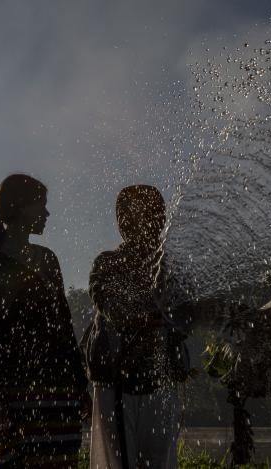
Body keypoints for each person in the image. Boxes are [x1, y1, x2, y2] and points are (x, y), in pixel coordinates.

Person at [0, 174, 90, 468]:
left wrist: (80, 384)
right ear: (21, 207)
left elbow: (64, 325)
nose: (47, 214)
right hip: (16, 391)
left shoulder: (48, 258)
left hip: (59, 389)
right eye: (42, 206)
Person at [86, 185, 193, 469]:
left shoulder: (170, 267)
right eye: (152, 215)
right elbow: (105, 301)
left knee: (161, 461)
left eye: (160, 215)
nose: (159, 222)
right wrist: (141, 319)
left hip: (159, 381)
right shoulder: (108, 262)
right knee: (120, 462)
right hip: (116, 383)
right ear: (125, 223)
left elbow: (187, 316)